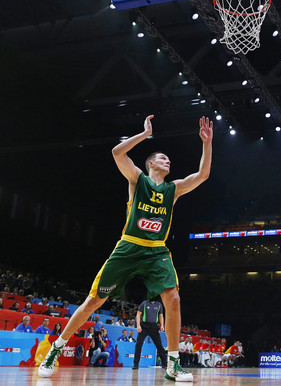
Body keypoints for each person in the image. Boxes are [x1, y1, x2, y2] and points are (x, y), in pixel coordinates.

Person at [38, 115, 213, 382]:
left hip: (156, 250)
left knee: (174, 299)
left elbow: (202, 175)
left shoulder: (173, 189)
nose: (169, 162)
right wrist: (144, 134)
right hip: (129, 247)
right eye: (163, 158)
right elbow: (117, 152)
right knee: (93, 302)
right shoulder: (137, 179)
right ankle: (56, 349)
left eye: (169, 159)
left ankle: (173, 365)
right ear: (151, 163)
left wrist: (207, 144)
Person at [133, 299, 167, 370]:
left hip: (154, 327)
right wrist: (138, 325)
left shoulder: (159, 304)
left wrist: (162, 325)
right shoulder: (144, 303)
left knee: (159, 345)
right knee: (138, 344)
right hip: (144, 326)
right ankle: (136, 364)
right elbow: (138, 314)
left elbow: (161, 316)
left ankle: (164, 364)